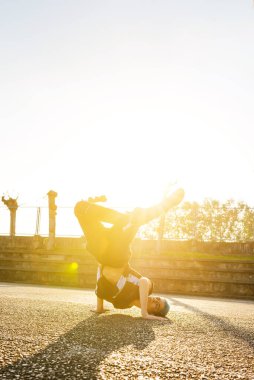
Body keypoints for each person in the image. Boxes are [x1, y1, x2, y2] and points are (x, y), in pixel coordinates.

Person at [74, 188, 184, 321]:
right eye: (158, 299)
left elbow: (100, 286)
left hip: (101, 250)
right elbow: (143, 281)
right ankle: (164, 205)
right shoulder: (146, 287)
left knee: (80, 208)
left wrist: (99, 308)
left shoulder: (121, 304)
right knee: (136, 218)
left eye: (157, 305)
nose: (155, 300)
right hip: (118, 254)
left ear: (154, 313)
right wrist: (144, 313)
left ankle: (126, 219)